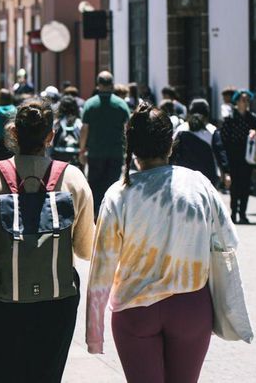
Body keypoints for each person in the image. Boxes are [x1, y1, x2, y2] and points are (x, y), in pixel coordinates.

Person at [86, 103, 239, 383]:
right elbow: (227, 241)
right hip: (190, 304)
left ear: (130, 145)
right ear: (171, 144)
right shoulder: (199, 184)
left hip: (135, 308)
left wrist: (94, 333)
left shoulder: (118, 194)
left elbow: (102, 268)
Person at [0, 98, 95, 383]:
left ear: (13, 133)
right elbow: (84, 249)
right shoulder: (73, 179)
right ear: (50, 136)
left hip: (1, 293)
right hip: (57, 295)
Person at [79, 71, 131, 217]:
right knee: (113, 184)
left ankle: (95, 215)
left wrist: (82, 150)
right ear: (112, 85)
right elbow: (128, 128)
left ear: (98, 84)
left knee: (95, 185)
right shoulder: (121, 104)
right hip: (115, 152)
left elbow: (84, 129)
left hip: (95, 152)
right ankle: (111, 214)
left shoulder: (90, 104)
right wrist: (128, 150)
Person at [219, 89, 256, 224]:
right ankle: (234, 212)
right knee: (235, 187)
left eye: (247, 100)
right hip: (233, 156)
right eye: (243, 100)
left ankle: (243, 213)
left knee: (246, 186)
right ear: (237, 101)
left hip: (247, 156)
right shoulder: (230, 118)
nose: (246, 103)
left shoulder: (252, 118)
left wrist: (255, 133)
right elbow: (223, 138)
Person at [171, 99, 230, 186]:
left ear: (190, 113)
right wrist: (226, 173)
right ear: (206, 114)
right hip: (207, 178)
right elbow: (220, 152)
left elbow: (172, 152)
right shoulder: (212, 130)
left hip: (184, 178)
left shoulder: (181, 129)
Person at [52, 95, 83, 166]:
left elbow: (51, 142)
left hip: (59, 155)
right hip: (75, 156)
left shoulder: (57, 123)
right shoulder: (78, 122)